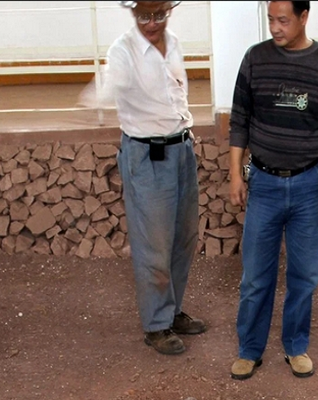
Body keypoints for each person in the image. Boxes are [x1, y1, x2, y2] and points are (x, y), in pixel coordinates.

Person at [228, 1, 318, 380]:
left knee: (305, 274)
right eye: (270, 20)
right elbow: (239, 119)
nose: (275, 28)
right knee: (255, 277)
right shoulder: (254, 59)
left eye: (283, 20)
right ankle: (250, 349)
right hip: (263, 183)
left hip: (309, 186)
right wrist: (235, 173)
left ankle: (296, 346)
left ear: (303, 17)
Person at [80, 0, 206, 356]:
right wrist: (93, 101)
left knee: (183, 236)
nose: (152, 23)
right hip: (147, 156)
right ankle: (156, 326)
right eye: (144, 16)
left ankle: (172, 310)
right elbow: (109, 85)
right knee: (154, 243)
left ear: (169, 10)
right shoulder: (123, 51)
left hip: (181, 148)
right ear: (134, 14)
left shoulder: (175, 44)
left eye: (159, 15)